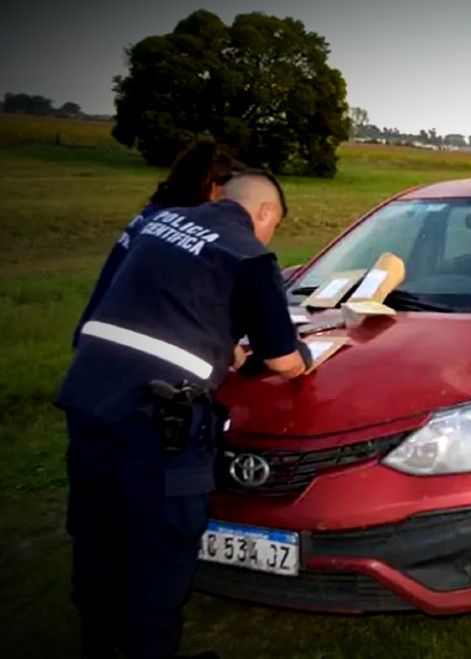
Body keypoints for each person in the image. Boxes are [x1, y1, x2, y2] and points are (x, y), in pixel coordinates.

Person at [56, 171, 310, 659]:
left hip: (90, 398)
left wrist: (221, 345)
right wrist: (305, 353)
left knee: (98, 533)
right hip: (159, 423)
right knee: (163, 549)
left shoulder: (156, 222)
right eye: (273, 225)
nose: (269, 234)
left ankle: (98, 644)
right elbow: (282, 361)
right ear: (264, 214)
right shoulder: (249, 252)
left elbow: (161, 305)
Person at [74, 141, 246, 346]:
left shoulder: (156, 215)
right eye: (228, 193)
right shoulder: (179, 230)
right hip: (125, 341)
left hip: (100, 328)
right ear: (212, 187)